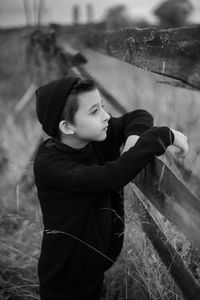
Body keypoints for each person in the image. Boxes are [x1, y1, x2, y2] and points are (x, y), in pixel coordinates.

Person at [33, 76, 188, 300]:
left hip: (94, 269)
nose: (106, 116)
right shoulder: (52, 166)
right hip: (65, 281)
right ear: (67, 126)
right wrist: (165, 135)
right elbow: (112, 176)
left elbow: (138, 116)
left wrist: (133, 141)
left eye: (102, 107)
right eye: (94, 111)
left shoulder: (93, 136)